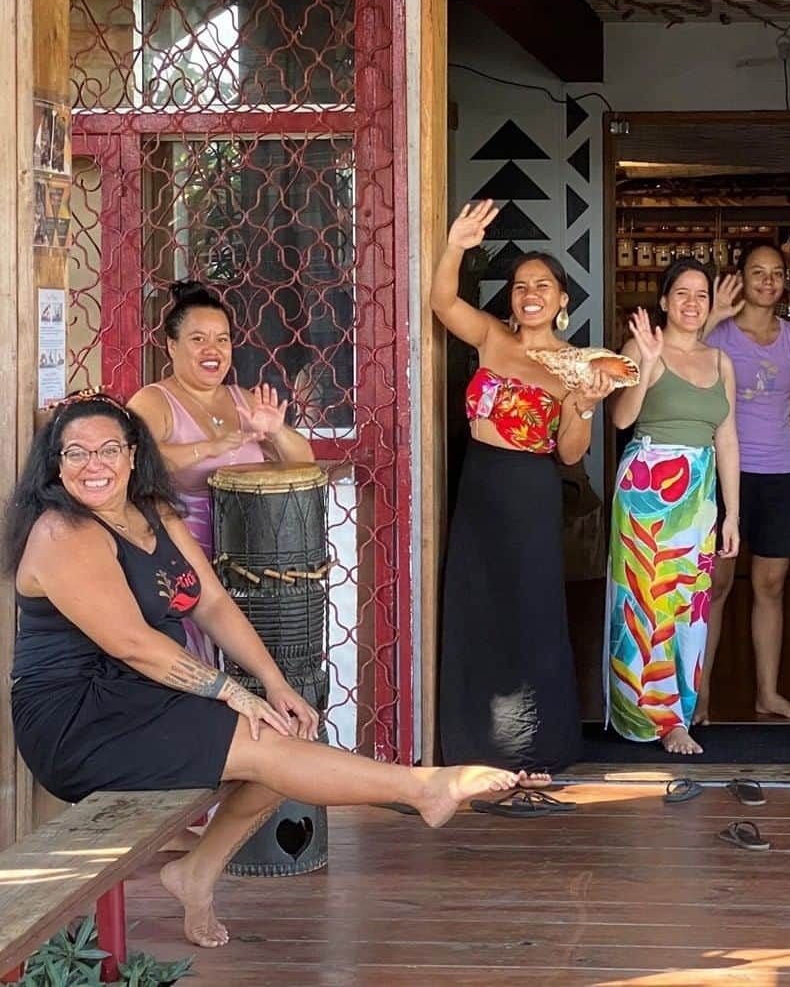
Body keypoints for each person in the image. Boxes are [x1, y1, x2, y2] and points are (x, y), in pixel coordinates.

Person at [7, 393, 540, 951]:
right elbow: (133, 643)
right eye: (76, 454)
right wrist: (232, 693)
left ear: (135, 455)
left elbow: (210, 602)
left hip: (141, 696)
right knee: (261, 743)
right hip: (78, 719)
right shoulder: (64, 532)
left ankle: (195, 873)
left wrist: (274, 683)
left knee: (277, 734)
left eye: (109, 449)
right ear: (56, 464)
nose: (94, 465)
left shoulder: (154, 514)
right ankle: (424, 786)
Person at [431, 200, 614, 773]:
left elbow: (569, 452)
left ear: (563, 300)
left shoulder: (578, 364)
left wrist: (582, 406)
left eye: (542, 285)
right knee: (477, 606)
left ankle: (535, 747)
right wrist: (457, 244)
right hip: (478, 485)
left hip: (530, 490)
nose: (529, 292)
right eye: (518, 285)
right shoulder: (490, 336)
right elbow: (440, 302)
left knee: (531, 610)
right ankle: (473, 744)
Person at [128, 281, 314, 662]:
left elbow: (303, 460)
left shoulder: (240, 398)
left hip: (250, 558)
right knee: (201, 665)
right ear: (172, 346)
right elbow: (136, 459)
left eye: (222, 340)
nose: (212, 350)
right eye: (198, 339)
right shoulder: (154, 400)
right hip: (181, 560)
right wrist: (209, 448)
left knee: (250, 663)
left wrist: (276, 431)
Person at [607, 258, 739, 755]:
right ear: (663, 301)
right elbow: (621, 419)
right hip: (647, 489)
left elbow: (727, 440)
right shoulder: (643, 350)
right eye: (681, 293)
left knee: (689, 605)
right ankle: (643, 716)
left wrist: (733, 514)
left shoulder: (721, 361)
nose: (691, 303)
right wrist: (643, 363)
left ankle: (677, 714)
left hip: (699, 495)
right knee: (645, 601)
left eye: (701, 295)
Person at [698, 243, 790, 723]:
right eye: (757, 272)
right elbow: (684, 363)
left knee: (771, 586)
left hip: (778, 472)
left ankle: (767, 693)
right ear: (741, 277)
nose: (767, 281)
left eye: (775, 273)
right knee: (717, 584)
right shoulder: (720, 333)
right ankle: (701, 694)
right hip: (722, 472)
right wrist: (714, 315)